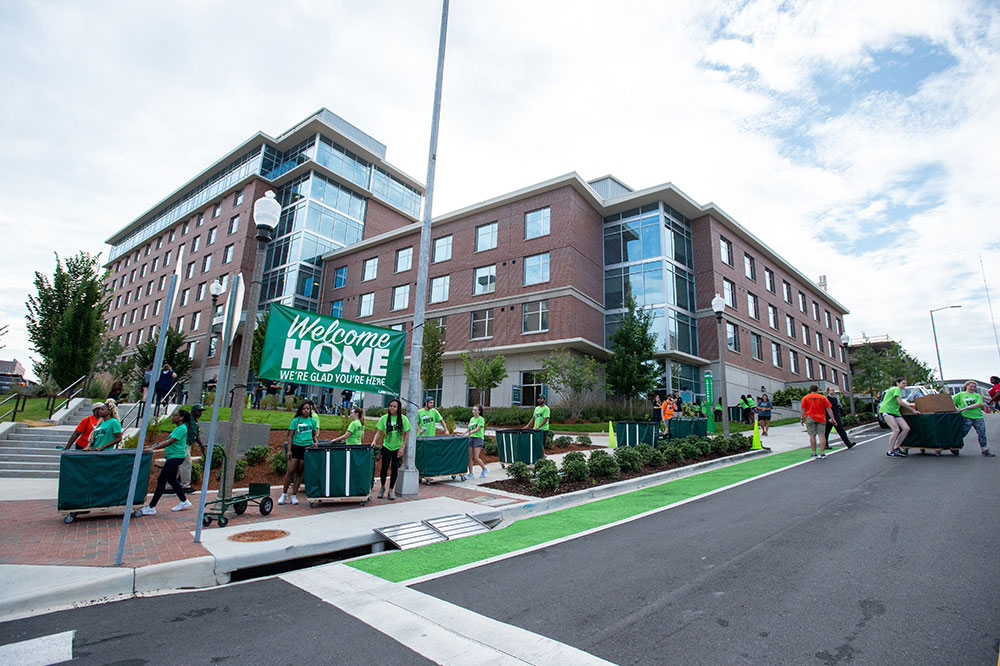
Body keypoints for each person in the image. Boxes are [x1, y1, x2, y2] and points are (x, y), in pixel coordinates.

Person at [140, 409, 192, 514]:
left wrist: (152, 449)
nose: (173, 417)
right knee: (172, 480)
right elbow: (167, 441)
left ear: (181, 418)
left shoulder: (181, 428)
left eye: (175, 415)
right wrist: (152, 446)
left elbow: (169, 442)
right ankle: (184, 501)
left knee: (161, 480)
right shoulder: (179, 428)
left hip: (175, 457)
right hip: (173, 457)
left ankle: (152, 507)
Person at [279, 402, 319, 505]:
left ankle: (293, 495)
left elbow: (314, 435)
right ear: (300, 410)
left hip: (306, 447)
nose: (306, 410)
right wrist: (289, 450)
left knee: (299, 472)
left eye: (308, 409)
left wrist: (316, 442)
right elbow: (290, 436)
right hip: (296, 447)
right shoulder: (296, 421)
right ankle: (284, 494)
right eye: (304, 409)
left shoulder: (312, 421)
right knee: (290, 471)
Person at [374, 398, 410, 500]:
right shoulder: (384, 418)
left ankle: (391, 490)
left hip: (397, 448)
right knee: (384, 468)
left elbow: (407, 433)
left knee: (394, 469)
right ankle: (382, 487)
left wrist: (402, 447)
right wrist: (374, 441)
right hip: (386, 446)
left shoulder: (403, 419)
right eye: (390, 406)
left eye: (394, 407)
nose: (392, 408)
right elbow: (379, 432)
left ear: (398, 408)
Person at [880, 377, 920, 457]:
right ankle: (890, 451)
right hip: (887, 411)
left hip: (895, 412)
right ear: (898, 383)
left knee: (906, 428)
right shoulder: (896, 389)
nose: (905, 385)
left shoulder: (897, 390)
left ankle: (896, 447)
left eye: (905, 383)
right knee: (896, 430)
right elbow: (900, 402)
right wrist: (913, 410)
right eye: (903, 383)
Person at [953, 381, 994, 456]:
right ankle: (955, 447)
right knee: (963, 432)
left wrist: (966, 408)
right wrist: (957, 409)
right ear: (966, 386)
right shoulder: (960, 395)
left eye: (974, 387)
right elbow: (952, 403)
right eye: (971, 386)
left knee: (982, 433)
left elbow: (979, 404)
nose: (972, 388)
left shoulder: (977, 396)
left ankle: (984, 449)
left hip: (978, 416)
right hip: (966, 417)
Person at [800, 384, 835, 459]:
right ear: (817, 390)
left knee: (812, 435)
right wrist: (833, 418)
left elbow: (803, 409)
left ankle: (814, 453)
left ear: (810, 389)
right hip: (821, 417)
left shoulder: (805, 398)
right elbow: (829, 409)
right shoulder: (823, 398)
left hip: (810, 417)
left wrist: (802, 418)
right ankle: (822, 453)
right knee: (821, 435)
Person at [179, 404, 205, 493]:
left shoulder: (195, 421)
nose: (201, 413)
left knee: (181, 464)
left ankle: (174, 485)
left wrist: (201, 444)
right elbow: (182, 430)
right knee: (186, 463)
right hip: (183, 444)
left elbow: (195, 435)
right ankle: (185, 486)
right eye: (199, 411)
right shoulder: (188, 420)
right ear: (194, 411)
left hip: (188, 445)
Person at [463, 404, 488, 479]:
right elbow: (469, 429)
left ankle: (484, 469)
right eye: (473, 410)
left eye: (475, 410)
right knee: (469, 457)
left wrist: (469, 433)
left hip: (478, 439)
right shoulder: (472, 419)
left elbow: (477, 429)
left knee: (476, 457)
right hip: (471, 439)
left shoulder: (481, 419)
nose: (473, 411)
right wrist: (463, 434)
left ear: (479, 411)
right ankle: (470, 474)